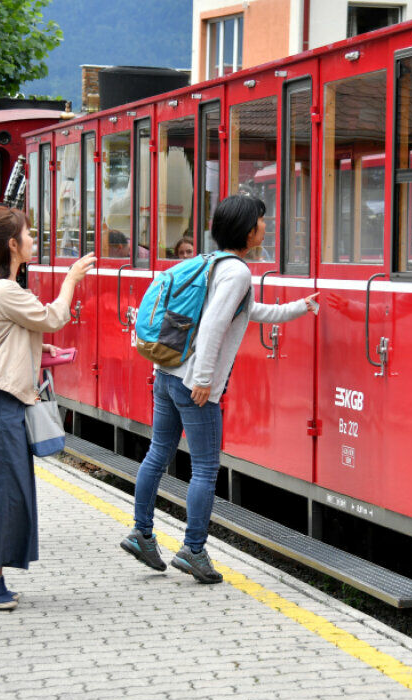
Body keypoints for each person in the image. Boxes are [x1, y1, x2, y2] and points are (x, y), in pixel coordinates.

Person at [120, 196, 318, 583]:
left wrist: (299, 307)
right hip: (193, 385)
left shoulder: (212, 263)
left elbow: (249, 312)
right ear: (248, 231)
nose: (265, 226)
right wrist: (204, 380)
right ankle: (193, 551)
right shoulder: (237, 272)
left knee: (158, 453)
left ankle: (141, 534)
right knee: (206, 468)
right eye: (261, 221)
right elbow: (212, 325)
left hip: (167, 373)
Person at [0, 208, 95, 609]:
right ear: (12, 244)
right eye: (29, 235)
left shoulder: (0, 289)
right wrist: (71, 280)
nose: (34, 241)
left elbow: (17, 333)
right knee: (2, 492)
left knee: (12, 491)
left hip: (5, 403)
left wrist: (39, 346)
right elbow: (53, 317)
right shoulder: (4, 290)